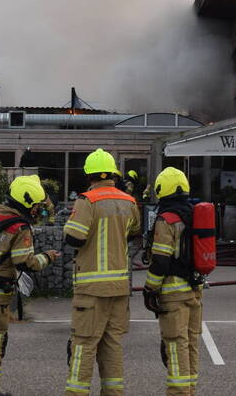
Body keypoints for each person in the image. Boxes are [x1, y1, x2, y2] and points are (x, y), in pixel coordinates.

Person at [0, 175, 61, 396]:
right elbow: (25, 262)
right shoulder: (19, 227)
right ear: (26, 203)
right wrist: (48, 257)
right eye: (36, 206)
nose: (37, 211)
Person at [63, 149, 142, 395]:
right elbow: (134, 232)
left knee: (84, 346)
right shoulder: (129, 202)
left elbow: (74, 238)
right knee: (112, 346)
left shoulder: (87, 200)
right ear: (113, 175)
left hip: (91, 289)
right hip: (119, 288)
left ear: (90, 176)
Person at [143, 167, 203, 396]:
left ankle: (179, 392)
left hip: (173, 294)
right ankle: (190, 390)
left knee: (176, 345)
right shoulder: (194, 214)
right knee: (191, 344)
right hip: (195, 290)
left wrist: (150, 289)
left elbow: (160, 261)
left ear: (161, 190)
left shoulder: (166, 219)